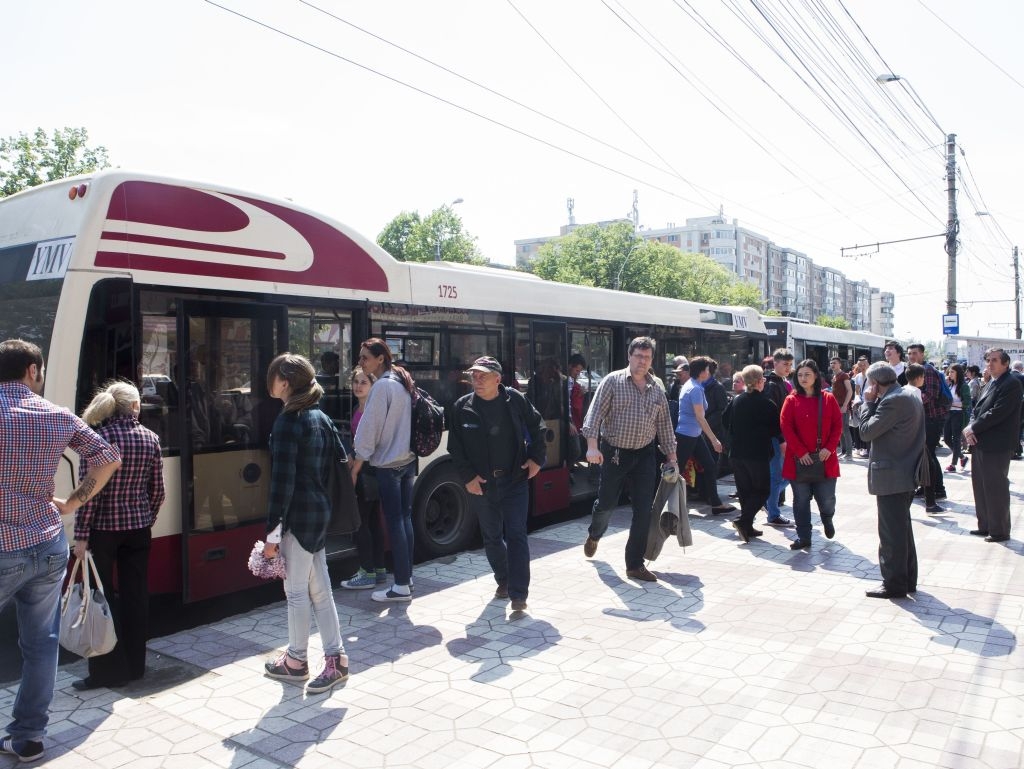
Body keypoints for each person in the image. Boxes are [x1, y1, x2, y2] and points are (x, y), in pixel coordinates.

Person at [0, 339, 121, 763]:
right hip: (48, 544)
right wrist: (71, 503)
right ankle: (29, 737)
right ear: (32, 370)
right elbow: (108, 458)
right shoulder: (56, 415)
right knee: (41, 644)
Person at [261, 353, 348, 694]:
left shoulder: (288, 421)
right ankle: (336, 659)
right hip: (319, 512)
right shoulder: (319, 417)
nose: (269, 382)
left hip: (298, 517)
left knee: (296, 592)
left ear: (284, 382)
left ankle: (296, 661)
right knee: (320, 590)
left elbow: (281, 484)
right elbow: (340, 462)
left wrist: (272, 535)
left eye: (273, 376)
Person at [71, 381, 165, 691]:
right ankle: (136, 667)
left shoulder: (98, 440)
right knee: (136, 596)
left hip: (103, 532)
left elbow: (88, 495)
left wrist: (81, 536)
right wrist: (146, 518)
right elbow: (158, 491)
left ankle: (108, 671)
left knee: (101, 599)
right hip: (138, 530)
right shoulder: (150, 438)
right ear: (135, 407)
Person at [447, 357, 546, 611]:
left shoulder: (515, 400)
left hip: (515, 481)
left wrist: (536, 459)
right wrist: (468, 478)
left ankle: (519, 594)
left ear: (497, 379)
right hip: (482, 485)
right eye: (474, 375)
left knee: (516, 535)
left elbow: (538, 427)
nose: (477, 380)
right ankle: (504, 578)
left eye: (483, 375)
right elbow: (455, 448)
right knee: (491, 537)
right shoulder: (461, 407)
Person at [582, 337, 678, 582]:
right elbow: (594, 415)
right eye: (638, 356)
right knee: (606, 504)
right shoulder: (612, 381)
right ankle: (595, 534)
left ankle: (634, 565)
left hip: (645, 454)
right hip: (615, 452)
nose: (642, 361)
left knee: (644, 510)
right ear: (629, 356)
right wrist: (592, 447)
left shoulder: (656, 389)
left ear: (651, 360)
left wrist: (672, 459)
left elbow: (665, 427)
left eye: (646, 357)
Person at [351, 338, 417, 602]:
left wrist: (357, 462)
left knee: (395, 522)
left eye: (365, 357)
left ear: (380, 359)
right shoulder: (401, 380)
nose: (361, 362)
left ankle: (400, 586)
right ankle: (407, 579)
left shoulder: (381, 387)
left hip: (388, 465)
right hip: (407, 461)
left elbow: (369, 431)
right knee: (405, 519)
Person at [858, 362, 925, 599]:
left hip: (893, 475)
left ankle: (894, 584)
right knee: (901, 530)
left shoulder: (892, 401)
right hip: (905, 472)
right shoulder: (908, 394)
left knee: (891, 534)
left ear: (875, 384)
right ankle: (907, 579)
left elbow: (866, 431)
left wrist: (867, 403)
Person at [963, 348, 1024, 543]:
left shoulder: (1011, 383)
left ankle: (999, 531)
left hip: (998, 444)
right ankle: (985, 525)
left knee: (995, 487)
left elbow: (998, 412)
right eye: (988, 360)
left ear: (1006, 363)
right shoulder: (991, 382)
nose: (990, 363)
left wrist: (973, 428)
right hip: (981, 441)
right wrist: (970, 428)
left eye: (994, 360)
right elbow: (977, 409)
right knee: (980, 486)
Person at [780, 359, 842, 550]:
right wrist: (800, 452)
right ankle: (804, 537)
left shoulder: (828, 398)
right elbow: (786, 427)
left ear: (816, 376)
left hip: (825, 458)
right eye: (800, 375)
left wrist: (829, 448)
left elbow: (837, 426)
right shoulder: (791, 400)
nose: (803, 378)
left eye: (807, 374)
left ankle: (827, 518)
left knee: (827, 499)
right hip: (799, 459)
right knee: (800, 501)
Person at [339, 368, 388, 590]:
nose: (358, 386)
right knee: (373, 521)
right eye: (356, 382)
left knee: (361, 523)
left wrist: (354, 471)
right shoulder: (358, 408)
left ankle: (367, 572)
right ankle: (378, 569)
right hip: (368, 470)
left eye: (363, 382)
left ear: (373, 386)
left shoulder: (370, 411)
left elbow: (369, 445)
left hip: (366, 471)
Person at [723, 365, 781, 543]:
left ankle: (747, 526)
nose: (764, 381)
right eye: (763, 378)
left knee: (745, 491)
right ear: (758, 381)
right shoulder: (767, 404)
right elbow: (775, 430)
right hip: (757, 454)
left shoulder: (737, 400)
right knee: (763, 491)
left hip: (736, 453)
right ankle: (743, 521)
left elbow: (725, 420)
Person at [674, 356, 734, 515]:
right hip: (688, 435)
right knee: (676, 470)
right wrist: (714, 440)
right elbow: (700, 418)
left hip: (692, 434)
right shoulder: (696, 389)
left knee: (708, 465)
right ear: (701, 372)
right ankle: (664, 504)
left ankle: (715, 503)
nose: (709, 372)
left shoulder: (691, 385)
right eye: (707, 369)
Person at [906, 344, 950, 509]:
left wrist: (911, 402)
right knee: (924, 454)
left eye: (915, 353)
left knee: (929, 455)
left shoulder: (927, 370)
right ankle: (926, 487)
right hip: (923, 418)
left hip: (932, 418)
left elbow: (930, 394)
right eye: (909, 353)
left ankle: (938, 489)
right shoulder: (914, 370)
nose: (911, 356)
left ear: (922, 354)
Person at [764, 348, 795, 526]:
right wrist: (782, 439)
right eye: (785, 364)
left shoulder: (781, 382)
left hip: (781, 436)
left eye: (790, 364)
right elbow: (773, 417)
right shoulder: (772, 385)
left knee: (786, 475)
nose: (788, 368)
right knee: (779, 476)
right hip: (776, 438)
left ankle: (768, 502)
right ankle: (773, 513)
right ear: (775, 363)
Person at [943, 364, 971, 472]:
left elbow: (967, 403)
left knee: (956, 439)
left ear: (958, 373)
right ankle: (962, 457)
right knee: (946, 438)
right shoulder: (950, 385)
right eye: (949, 372)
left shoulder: (964, 386)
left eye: (952, 372)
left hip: (958, 414)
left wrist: (953, 404)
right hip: (949, 414)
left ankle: (953, 464)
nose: (950, 374)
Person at [829, 357, 853, 459]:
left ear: (840, 364)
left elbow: (850, 391)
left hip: (843, 406)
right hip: (835, 406)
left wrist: (845, 405)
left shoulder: (844, 375)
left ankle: (849, 453)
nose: (832, 365)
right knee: (840, 429)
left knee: (845, 429)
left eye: (834, 363)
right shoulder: (834, 376)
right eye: (831, 363)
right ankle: (844, 451)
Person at [850, 357, 870, 457]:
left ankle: (866, 448)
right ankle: (859, 447)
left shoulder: (871, 375)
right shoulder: (857, 376)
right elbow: (857, 390)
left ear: (868, 365)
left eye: (864, 365)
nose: (862, 367)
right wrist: (856, 399)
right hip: (860, 403)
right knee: (858, 425)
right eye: (860, 365)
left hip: (870, 403)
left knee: (866, 426)